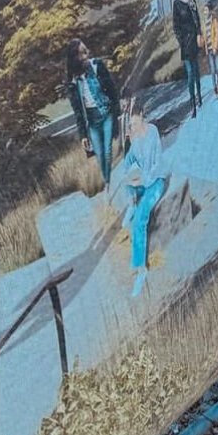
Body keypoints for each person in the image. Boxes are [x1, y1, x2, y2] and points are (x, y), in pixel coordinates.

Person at [122, 100, 166, 298]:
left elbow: (157, 165)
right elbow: (128, 162)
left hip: (156, 182)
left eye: (136, 122)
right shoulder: (135, 138)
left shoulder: (153, 132)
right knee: (129, 186)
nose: (134, 126)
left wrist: (143, 179)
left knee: (140, 220)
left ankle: (141, 268)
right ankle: (131, 203)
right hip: (142, 183)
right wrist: (130, 175)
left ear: (143, 117)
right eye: (131, 124)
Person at [66, 38, 121, 190]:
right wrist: (83, 135)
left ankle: (108, 184)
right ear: (74, 58)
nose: (86, 55)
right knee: (100, 154)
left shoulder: (96, 66)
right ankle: (107, 181)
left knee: (108, 151)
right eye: (82, 53)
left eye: (86, 51)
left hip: (106, 112)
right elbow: (78, 111)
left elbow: (111, 88)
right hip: (92, 121)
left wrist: (117, 110)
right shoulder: (73, 82)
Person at [172, 0, 204, 117]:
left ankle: (199, 95)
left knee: (196, 70)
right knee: (190, 72)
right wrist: (181, 41)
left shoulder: (192, 0)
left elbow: (197, 18)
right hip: (185, 42)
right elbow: (175, 25)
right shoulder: (177, 3)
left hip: (194, 40)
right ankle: (192, 104)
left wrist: (199, 34)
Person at [205, 1, 218, 97]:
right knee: (212, 70)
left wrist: (215, 47)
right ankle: (215, 88)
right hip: (208, 49)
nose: (204, 12)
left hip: (214, 48)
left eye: (206, 10)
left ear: (209, 10)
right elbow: (205, 37)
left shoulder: (214, 20)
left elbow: (217, 33)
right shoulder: (205, 23)